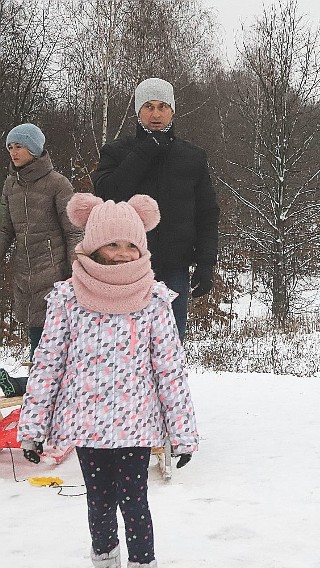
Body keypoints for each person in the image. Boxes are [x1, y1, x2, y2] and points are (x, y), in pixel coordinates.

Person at [17, 193, 199, 567]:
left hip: (135, 425)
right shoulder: (68, 299)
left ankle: (142, 561)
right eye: (112, 244)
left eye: (131, 245)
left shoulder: (155, 302)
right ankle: (104, 557)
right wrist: (33, 426)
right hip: (87, 426)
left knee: (135, 500)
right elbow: (48, 364)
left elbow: (170, 370)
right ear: (93, 245)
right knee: (98, 501)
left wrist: (182, 433)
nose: (122, 252)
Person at [92, 77, 220, 340]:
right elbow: (107, 194)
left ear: (172, 110)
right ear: (138, 111)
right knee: (126, 347)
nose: (156, 114)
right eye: (148, 106)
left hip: (175, 268)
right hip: (126, 267)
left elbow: (207, 214)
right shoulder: (117, 152)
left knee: (170, 348)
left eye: (162, 106)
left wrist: (206, 264)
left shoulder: (192, 157)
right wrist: (144, 152)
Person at [0, 123, 82, 382]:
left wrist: (76, 272)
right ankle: (38, 384)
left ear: (34, 149)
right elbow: (4, 229)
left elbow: (74, 230)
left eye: (20, 146)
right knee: (35, 329)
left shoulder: (58, 184)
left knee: (53, 333)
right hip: (24, 271)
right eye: (10, 147)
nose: (14, 152)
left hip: (55, 271)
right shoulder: (11, 185)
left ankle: (48, 386)